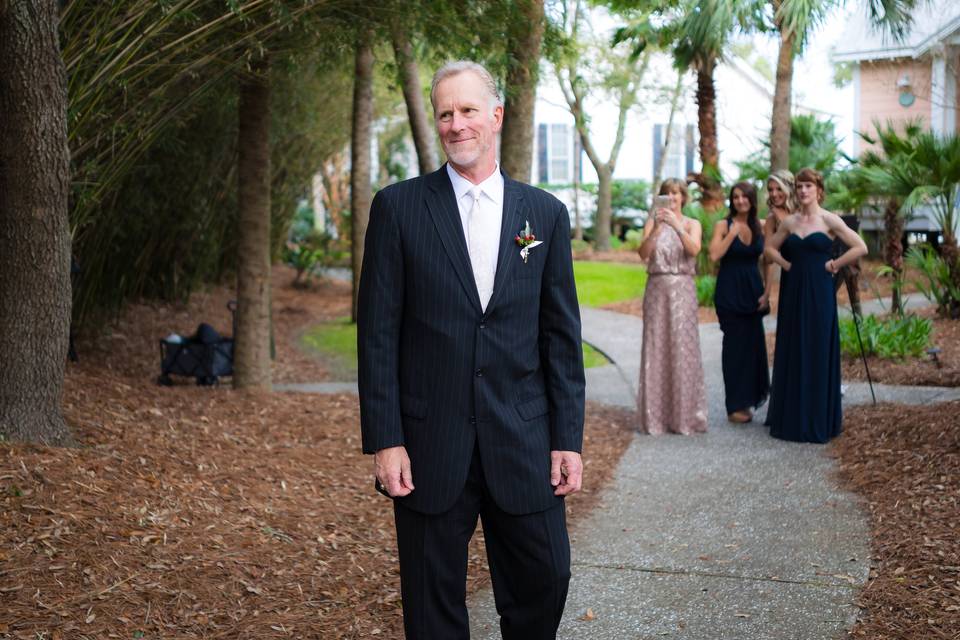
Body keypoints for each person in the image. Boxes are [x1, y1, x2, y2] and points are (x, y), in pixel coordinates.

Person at [357, 60, 585, 640]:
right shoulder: (398, 208)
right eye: (445, 113)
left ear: (496, 115)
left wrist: (567, 440)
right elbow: (378, 335)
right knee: (431, 612)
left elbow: (560, 338)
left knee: (547, 579)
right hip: (431, 442)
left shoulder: (546, 215)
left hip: (524, 438)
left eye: (467, 110)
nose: (456, 124)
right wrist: (386, 440)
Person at [764, 168, 867, 443]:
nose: (803, 191)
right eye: (799, 186)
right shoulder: (790, 222)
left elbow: (860, 247)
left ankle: (819, 419)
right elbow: (770, 249)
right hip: (794, 291)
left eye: (808, 186)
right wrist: (786, 265)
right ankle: (794, 419)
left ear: (818, 190)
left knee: (817, 347)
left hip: (820, 292)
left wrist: (835, 264)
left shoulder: (829, 219)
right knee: (794, 346)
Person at [636, 178, 707, 435]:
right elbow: (643, 254)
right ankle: (655, 417)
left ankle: (685, 418)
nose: (672, 198)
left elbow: (694, 250)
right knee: (656, 348)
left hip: (683, 290)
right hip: (657, 289)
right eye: (667, 193)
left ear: (684, 197)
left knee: (683, 350)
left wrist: (677, 226)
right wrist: (657, 227)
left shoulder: (691, 223)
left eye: (676, 193)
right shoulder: (651, 223)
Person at [709, 182, 770, 424]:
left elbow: (767, 260)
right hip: (729, 293)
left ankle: (750, 399)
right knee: (734, 349)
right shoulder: (723, 225)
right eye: (735, 197)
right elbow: (714, 255)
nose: (740, 200)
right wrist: (732, 235)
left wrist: (767, 292)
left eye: (745, 196)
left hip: (753, 292)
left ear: (752, 200)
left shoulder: (762, 226)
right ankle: (734, 404)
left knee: (753, 347)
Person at [762, 170, 796, 428]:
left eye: (778, 189)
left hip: (815, 282)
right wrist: (766, 291)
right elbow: (768, 257)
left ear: (789, 188)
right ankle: (786, 406)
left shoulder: (806, 211)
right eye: (770, 190)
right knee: (789, 341)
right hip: (791, 282)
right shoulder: (773, 220)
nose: (774, 194)